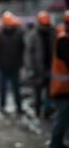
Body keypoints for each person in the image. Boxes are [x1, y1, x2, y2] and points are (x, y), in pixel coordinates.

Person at [24, 11, 55, 118]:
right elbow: (28, 53)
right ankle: (38, 111)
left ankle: (47, 111)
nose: (45, 26)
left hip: (51, 67)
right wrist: (30, 69)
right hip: (37, 69)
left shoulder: (53, 33)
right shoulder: (33, 35)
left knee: (49, 92)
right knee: (37, 92)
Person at [0, 11, 24, 115]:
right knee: (3, 88)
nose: (9, 26)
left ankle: (19, 107)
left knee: (16, 88)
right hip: (3, 67)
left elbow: (22, 50)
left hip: (15, 66)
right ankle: (2, 107)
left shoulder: (18, 35)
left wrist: (20, 63)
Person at [49, 11, 69, 148]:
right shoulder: (63, 40)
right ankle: (55, 144)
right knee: (62, 118)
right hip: (63, 87)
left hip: (65, 86)